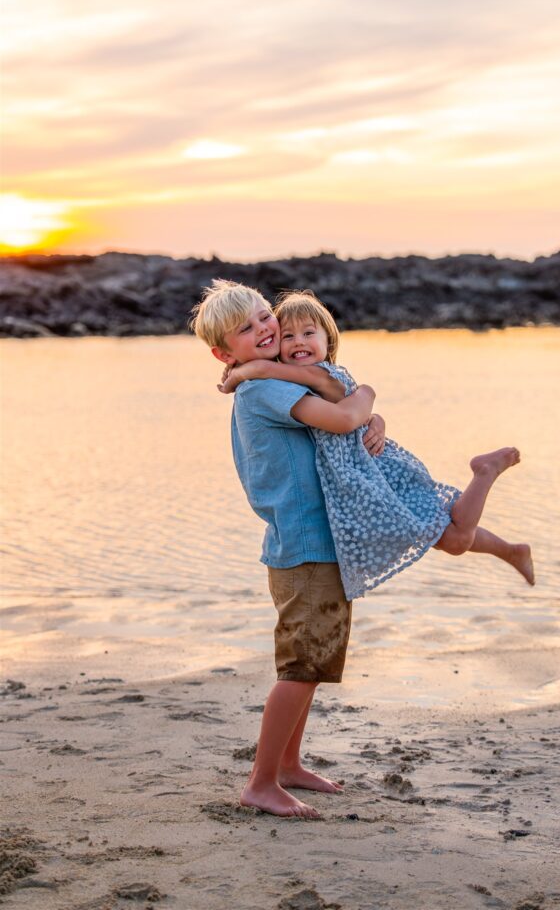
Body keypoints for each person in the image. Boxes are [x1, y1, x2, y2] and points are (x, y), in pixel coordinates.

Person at [190, 279, 382, 820]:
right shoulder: (265, 391)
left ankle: (290, 765)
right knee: (300, 668)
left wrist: (372, 416)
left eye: (261, 315)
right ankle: (262, 782)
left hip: (305, 544)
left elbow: (333, 404)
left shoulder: (265, 381)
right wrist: (370, 396)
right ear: (224, 353)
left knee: (313, 662)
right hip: (306, 547)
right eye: (246, 330)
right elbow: (345, 415)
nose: (264, 328)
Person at [220, 290, 535, 602]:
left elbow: (334, 402)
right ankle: (510, 550)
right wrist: (375, 417)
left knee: (453, 537)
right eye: (288, 336)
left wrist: (251, 370)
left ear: (328, 341)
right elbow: (343, 410)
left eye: (309, 333)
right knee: (445, 530)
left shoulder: (323, 373)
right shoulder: (295, 382)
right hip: (364, 479)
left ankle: (485, 472)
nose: (299, 341)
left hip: (376, 474)